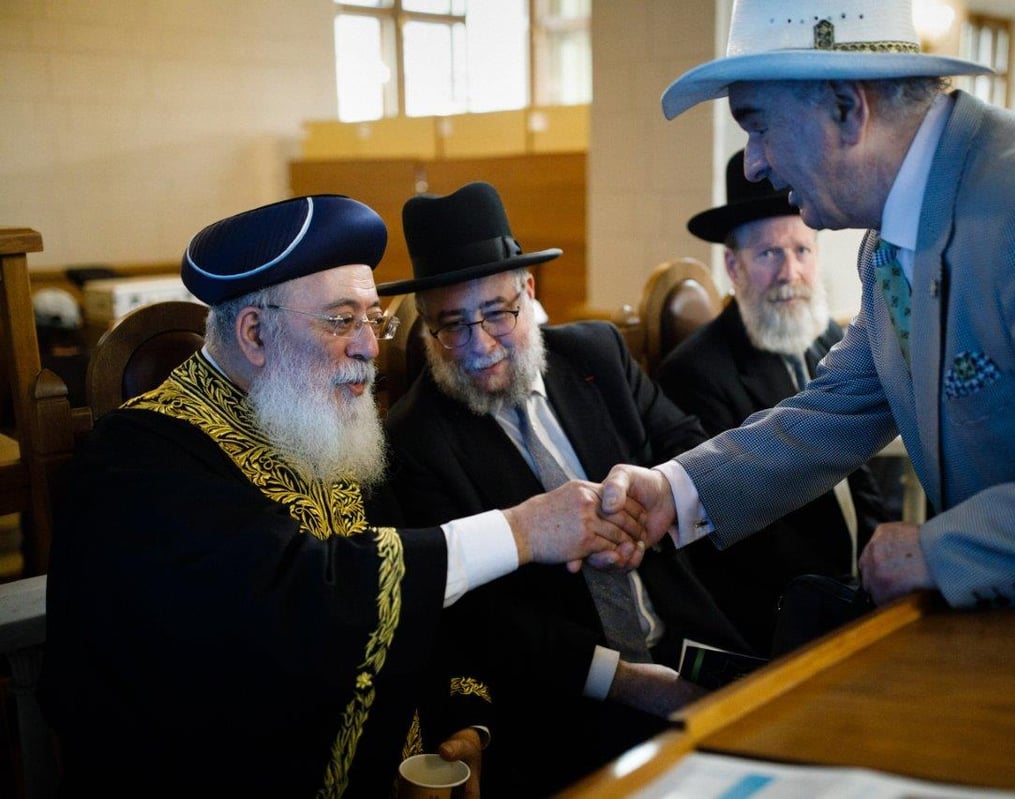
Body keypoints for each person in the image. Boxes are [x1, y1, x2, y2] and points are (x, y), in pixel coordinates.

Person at [38, 194, 645, 798]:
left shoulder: (323, 428)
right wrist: (521, 531)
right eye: (340, 320)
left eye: (373, 319)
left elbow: (423, 600)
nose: (371, 347)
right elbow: (306, 595)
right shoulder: (141, 456)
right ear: (254, 332)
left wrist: (461, 723)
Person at [601, 0, 1015, 612]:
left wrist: (945, 553)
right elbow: (844, 406)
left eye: (758, 126)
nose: (755, 161)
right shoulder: (887, 242)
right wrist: (675, 490)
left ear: (846, 108)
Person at [376, 181, 750, 796]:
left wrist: (646, 509)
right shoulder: (413, 440)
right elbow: (483, 619)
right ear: (426, 330)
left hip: (693, 640)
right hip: (567, 702)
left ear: (529, 290)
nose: (478, 345)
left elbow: (689, 449)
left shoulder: (595, 354)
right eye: (451, 325)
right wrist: (629, 681)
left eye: (496, 312)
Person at [655, 149, 888, 653]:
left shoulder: (827, 336)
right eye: (768, 255)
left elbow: (859, 473)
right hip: (784, 622)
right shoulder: (695, 374)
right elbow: (745, 545)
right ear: (733, 267)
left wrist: (879, 560)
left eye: (802, 251)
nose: (790, 272)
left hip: (858, 598)